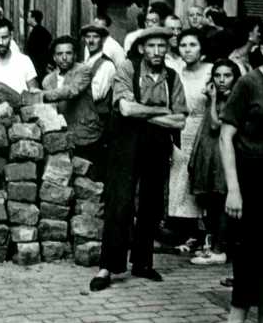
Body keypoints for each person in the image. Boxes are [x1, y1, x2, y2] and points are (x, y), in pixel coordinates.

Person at [90, 27, 188, 292]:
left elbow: (180, 119)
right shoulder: (128, 69)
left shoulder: (172, 77)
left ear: (167, 49)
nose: (157, 52)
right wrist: (158, 111)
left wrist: (142, 113)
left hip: (157, 145)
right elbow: (125, 108)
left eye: (162, 46)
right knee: (119, 202)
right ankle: (107, 267)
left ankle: (143, 263)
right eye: (151, 46)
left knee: (152, 203)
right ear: (142, 48)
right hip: (126, 143)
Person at [218, 22, 263, 323]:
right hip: (250, 179)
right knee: (250, 254)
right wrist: (234, 189)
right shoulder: (248, 84)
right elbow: (226, 137)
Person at [188, 59, 241, 266]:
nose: (221, 80)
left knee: (221, 201)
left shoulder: (234, 99)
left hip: (223, 156)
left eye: (227, 76)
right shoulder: (218, 96)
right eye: (218, 75)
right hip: (209, 154)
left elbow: (215, 125)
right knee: (211, 201)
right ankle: (214, 245)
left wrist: (211, 100)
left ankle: (220, 249)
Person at [167, 29, 212, 249]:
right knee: (180, 180)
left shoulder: (212, 71)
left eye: (192, 45)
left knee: (202, 178)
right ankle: (188, 231)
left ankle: (209, 233)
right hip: (180, 129)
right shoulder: (176, 72)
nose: (187, 49)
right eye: (183, 45)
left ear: (202, 48)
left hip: (205, 130)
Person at [41, 35, 104, 166]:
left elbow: (72, 90)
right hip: (61, 139)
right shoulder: (47, 80)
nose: (64, 57)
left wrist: (42, 95)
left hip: (85, 136)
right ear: (54, 57)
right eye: (59, 54)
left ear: (75, 55)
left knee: (88, 181)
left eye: (68, 53)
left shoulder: (83, 70)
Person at [81, 23, 118, 167]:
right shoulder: (87, 62)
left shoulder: (106, 65)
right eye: (88, 37)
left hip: (98, 123)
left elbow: (95, 94)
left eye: (95, 37)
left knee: (94, 165)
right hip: (85, 120)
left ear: (102, 40)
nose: (91, 40)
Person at [25, 9, 53, 85]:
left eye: (28, 17)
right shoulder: (43, 31)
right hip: (40, 64)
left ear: (33, 18)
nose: (27, 19)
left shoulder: (37, 32)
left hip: (37, 65)